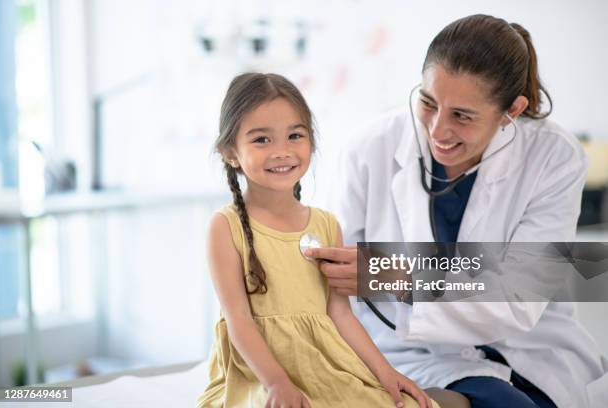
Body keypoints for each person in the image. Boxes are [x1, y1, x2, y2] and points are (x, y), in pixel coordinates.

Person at [304, 14, 608, 408]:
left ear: (511, 110)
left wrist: (391, 273)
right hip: (406, 351)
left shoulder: (554, 157)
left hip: (525, 350)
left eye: (462, 116)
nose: (437, 131)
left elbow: (518, 296)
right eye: (428, 102)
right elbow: (329, 282)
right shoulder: (369, 149)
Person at [197, 73, 449, 408]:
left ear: (311, 142)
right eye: (261, 140)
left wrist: (386, 373)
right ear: (230, 152)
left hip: (324, 365)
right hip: (259, 372)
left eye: (294, 135)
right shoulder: (224, 227)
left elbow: (340, 315)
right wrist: (277, 384)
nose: (281, 151)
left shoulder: (325, 223)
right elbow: (238, 320)